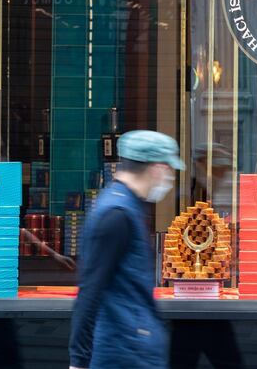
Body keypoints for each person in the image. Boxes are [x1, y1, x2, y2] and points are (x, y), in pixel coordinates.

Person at [69, 130, 184, 369]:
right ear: (157, 168)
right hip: (124, 351)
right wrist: (78, 362)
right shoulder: (116, 214)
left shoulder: (125, 206)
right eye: (168, 169)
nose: (169, 178)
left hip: (130, 346)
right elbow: (90, 290)